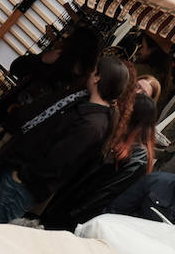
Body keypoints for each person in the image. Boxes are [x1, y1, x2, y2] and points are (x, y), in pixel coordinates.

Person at [0, 55, 128, 224]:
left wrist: (23, 176)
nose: (89, 73)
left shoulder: (93, 125)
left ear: (98, 78)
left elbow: (57, 161)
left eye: (94, 71)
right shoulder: (84, 102)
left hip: (23, 184)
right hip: (16, 165)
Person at [40, 93, 157, 231]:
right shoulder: (121, 139)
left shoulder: (139, 156)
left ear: (134, 116)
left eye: (126, 108)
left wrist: (72, 216)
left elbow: (106, 192)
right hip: (67, 205)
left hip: (76, 217)